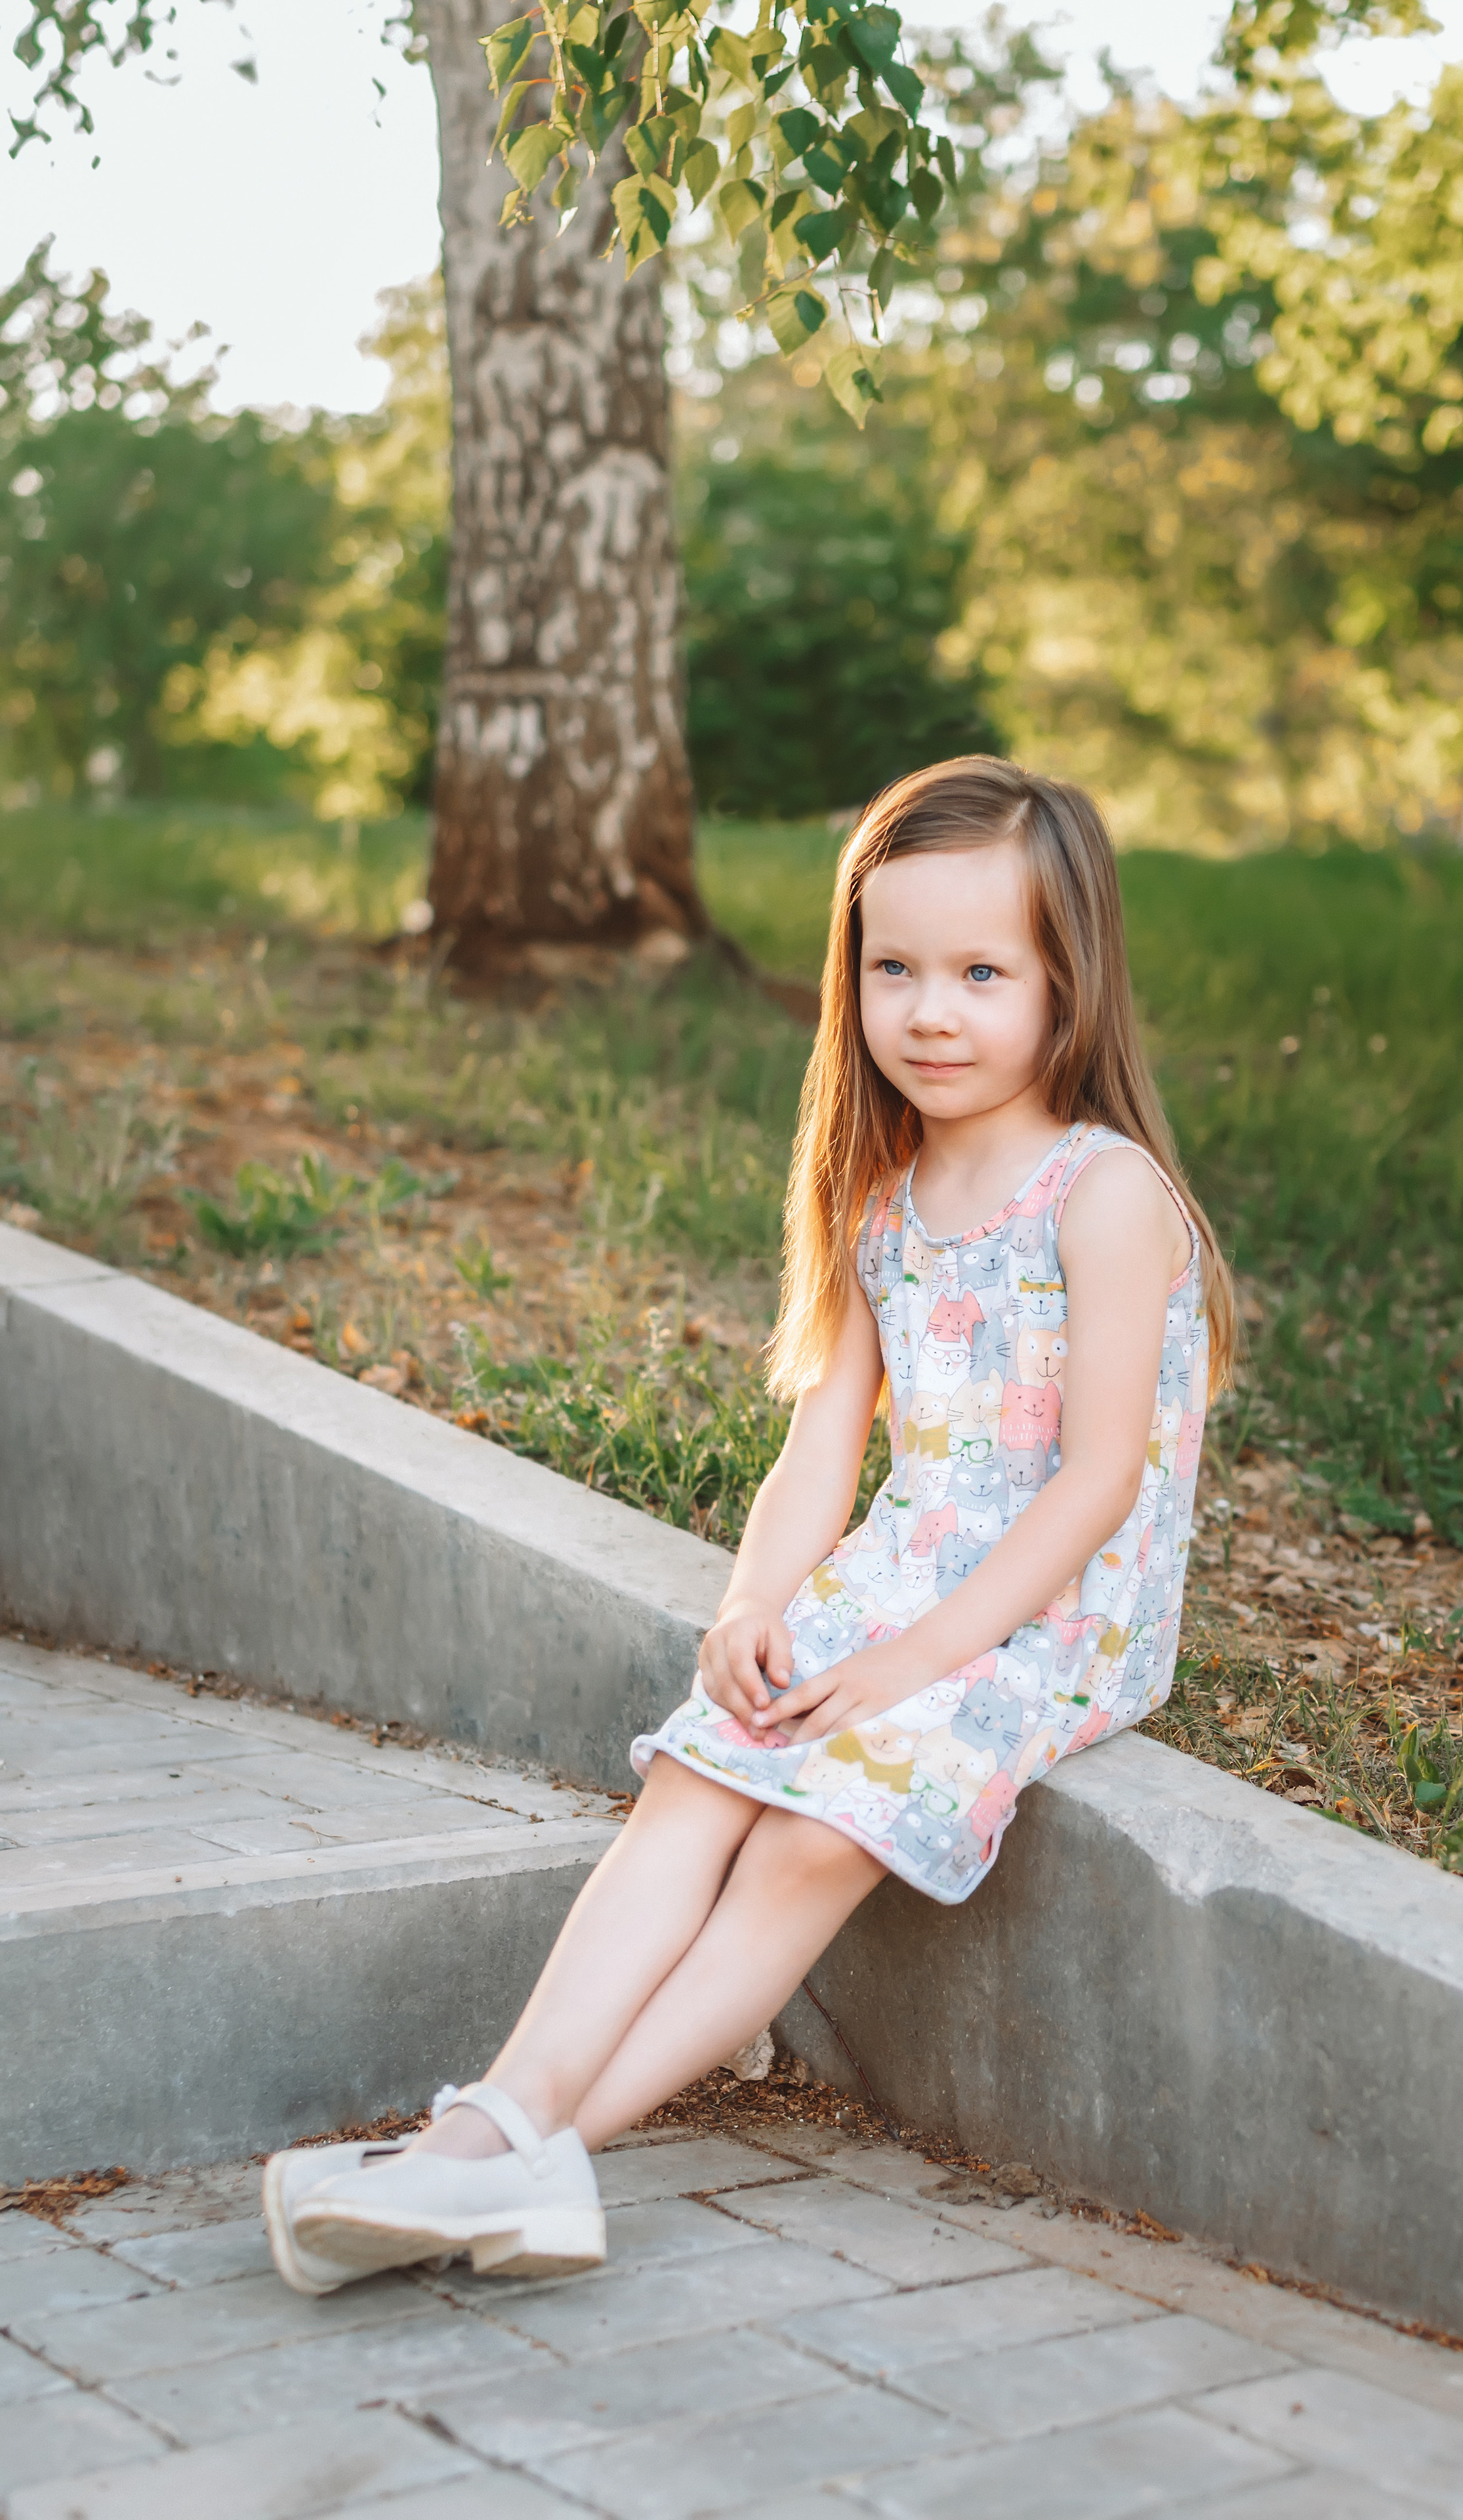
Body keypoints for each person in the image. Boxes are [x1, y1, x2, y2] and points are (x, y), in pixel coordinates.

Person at [263, 755, 1233, 2296]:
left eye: (982, 973)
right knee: (698, 1782)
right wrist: (752, 1610)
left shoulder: (1099, 1195)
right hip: (909, 1566)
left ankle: (516, 2153)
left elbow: (1097, 1483)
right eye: (892, 968)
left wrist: (908, 1660)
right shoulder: (885, 1193)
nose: (929, 1011)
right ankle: (503, 2143)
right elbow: (823, 1441)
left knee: (798, 1843)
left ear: (1070, 983)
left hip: (1053, 1612)